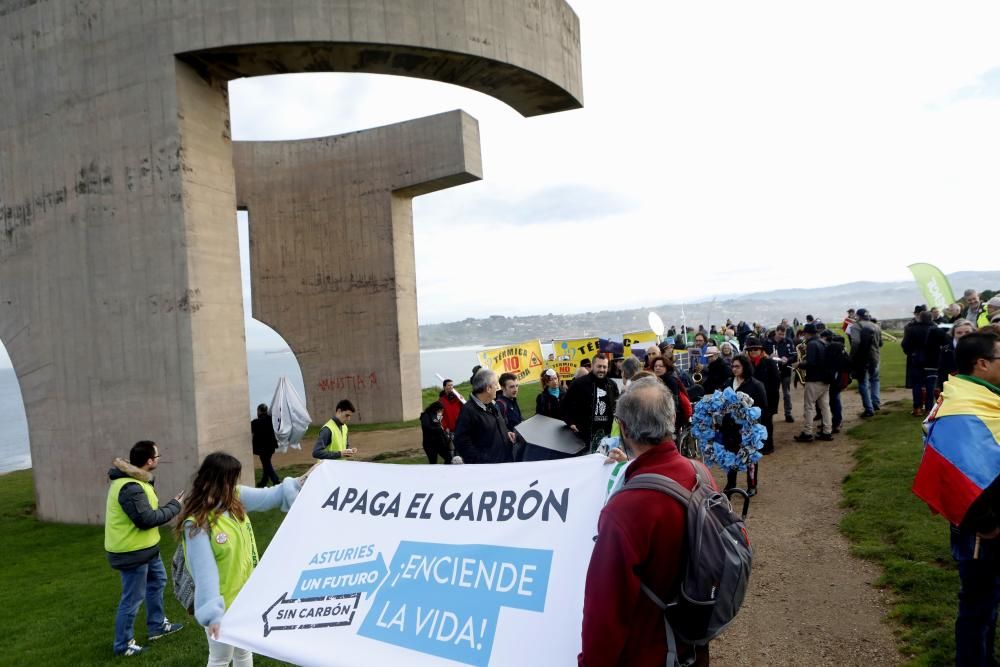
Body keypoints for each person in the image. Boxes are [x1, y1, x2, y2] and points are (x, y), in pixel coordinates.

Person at [579, 377, 710, 666]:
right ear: (672, 417)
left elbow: (604, 612)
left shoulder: (625, 510)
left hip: (649, 651)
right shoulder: (699, 472)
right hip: (693, 641)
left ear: (623, 428)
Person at [914, 332, 1000, 665]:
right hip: (979, 529)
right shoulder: (961, 408)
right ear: (981, 365)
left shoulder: (978, 397)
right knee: (977, 606)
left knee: (988, 601)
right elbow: (956, 472)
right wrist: (987, 525)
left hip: (983, 523)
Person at [178, 452, 303, 667]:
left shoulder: (235, 499)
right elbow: (205, 572)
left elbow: (272, 496)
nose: (234, 484)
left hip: (245, 599)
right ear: (215, 481)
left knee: (244, 654)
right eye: (230, 480)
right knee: (220, 658)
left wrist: (300, 482)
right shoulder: (197, 524)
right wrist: (212, 615)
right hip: (222, 606)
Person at [104, 440, 184, 657]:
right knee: (132, 598)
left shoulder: (136, 482)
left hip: (146, 549)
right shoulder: (130, 487)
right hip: (132, 552)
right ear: (149, 461)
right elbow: (146, 519)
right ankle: (123, 645)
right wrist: (174, 506)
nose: (158, 459)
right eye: (157, 456)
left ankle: (157, 626)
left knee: (158, 581)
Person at [562, 353, 620, 453]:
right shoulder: (578, 384)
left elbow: (616, 406)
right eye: (599, 366)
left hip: (607, 436)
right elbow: (565, 406)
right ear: (592, 366)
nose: (602, 369)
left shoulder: (612, 385)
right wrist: (570, 422)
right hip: (584, 438)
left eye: (604, 367)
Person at [453, 368, 513, 464]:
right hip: (490, 469)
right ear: (488, 389)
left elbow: (495, 426)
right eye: (496, 385)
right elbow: (462, 443)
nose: (498, 388)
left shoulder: (492, 404)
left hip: (504, 463)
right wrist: (484, 461)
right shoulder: (468, 411)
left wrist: (506, 433)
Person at [726, 354, 765, 493]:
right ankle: (731, 483)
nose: (734, 369)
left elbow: (762, 407)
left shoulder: (756, 385)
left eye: (737, 366)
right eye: (732, 366)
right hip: (730, 427)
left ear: (745, 367)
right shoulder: (729, 383)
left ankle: (752, 485)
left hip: (748, 428)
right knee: (730, 455)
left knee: (750, 457)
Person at [793, 323, 834, 442]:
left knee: (809, 406)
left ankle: (807, 432)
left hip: (814, 380)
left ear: (807, 333)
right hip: (825, 379)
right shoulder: (823, 342)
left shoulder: (812, 344)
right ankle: (827, 431)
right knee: (825, 407)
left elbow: (811, 363)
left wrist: (799, 364)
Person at [745, 337, 779, 453]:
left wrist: (772, 403)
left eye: (756, 349)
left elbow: (775, 383)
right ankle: (756, 445)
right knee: (754, 424)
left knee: (766, 423)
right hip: (752, 400)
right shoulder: (747, 365)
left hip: (767, 399)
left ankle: (768, 446)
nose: (753, 351)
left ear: (761, 350)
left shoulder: (769, 362)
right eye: (751, 349)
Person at [849, 308, 883, 418]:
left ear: (858, 316)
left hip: (863, 359)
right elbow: (881, 343)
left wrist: (852, 357)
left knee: (863, 383)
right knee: (875, 380)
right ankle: (876, 403)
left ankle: (869, 409)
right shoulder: (876, 326)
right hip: (876, 357)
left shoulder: (856, 326)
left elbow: (856, 342)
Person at [939, 319, 976, 385]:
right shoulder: (946, 350)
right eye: (959, 333)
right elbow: (942, 372)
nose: (963, 335)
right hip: (952, 386)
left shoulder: (980, 349)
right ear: (953, 334)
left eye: (967, 332)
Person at [250, 404, 279, 487]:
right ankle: (264, 481)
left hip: (262, 449)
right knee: (266, 464)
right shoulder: (271, 420)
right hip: (271, 447)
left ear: (259, 411)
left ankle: (276, 480)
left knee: (267, 464)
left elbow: (249, 429)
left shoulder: (255, 422)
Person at [772, 324, 797, 422]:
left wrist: (788, 359)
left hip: (785, 370)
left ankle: (788, 413)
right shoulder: (768, 342)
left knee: (786, 393)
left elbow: (794, 356)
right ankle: (771, 413)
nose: (782, 336)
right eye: (780, 334)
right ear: (776, 332)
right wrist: (770, 356)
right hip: (773, 372)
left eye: (783, 334)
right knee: (773, 393)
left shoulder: (788, 341)